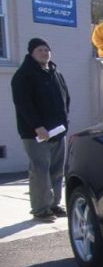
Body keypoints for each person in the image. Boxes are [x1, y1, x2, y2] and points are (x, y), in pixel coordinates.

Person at [11, 38, 71, 222]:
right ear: (31, 54)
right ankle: (40, 209)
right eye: (40, 50)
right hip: (36, 134)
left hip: (57, 132)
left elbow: (65, 97)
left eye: (46, 49)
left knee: (57, 170)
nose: (44, 53)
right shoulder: (23, 75)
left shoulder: (54, 72)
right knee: (40, 171)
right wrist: (37, 126)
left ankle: (54, 204)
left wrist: (64, 121)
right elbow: (24, 105)